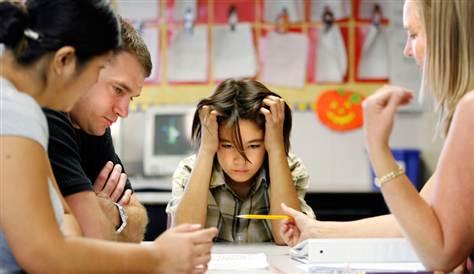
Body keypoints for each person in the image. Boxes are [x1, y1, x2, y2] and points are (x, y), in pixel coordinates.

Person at [0, 1, 217, 273]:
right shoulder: (15, 109)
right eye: (96, 74)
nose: (88, 88)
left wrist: (91, 218)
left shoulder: (26, 109)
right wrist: (159, 258)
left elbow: (69, 224)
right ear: (64, 61)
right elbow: (43, 252)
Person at [280, 0, 474, 271]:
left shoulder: (471, 109)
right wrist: (316, 230)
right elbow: (420, 220)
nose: (407, 50)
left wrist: (377, 148)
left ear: (447, 36)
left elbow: (438, 251)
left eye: (415, 34)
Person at [166, 79, 315, 244]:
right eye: (228, 145)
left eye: (254, 145)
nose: (239, 159)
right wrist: (206, 150)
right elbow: (185, 237)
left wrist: (277, 149)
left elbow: (287, 237)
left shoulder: (290, 167)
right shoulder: (189, 170)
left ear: (268, 141)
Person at [43, 18, 150, 243]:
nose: (123, 111)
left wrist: (108, 210)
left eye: (131, 98)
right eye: (118, 90)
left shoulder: (94, 126)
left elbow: (138, 226)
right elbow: (88, 236)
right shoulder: (48, 112)